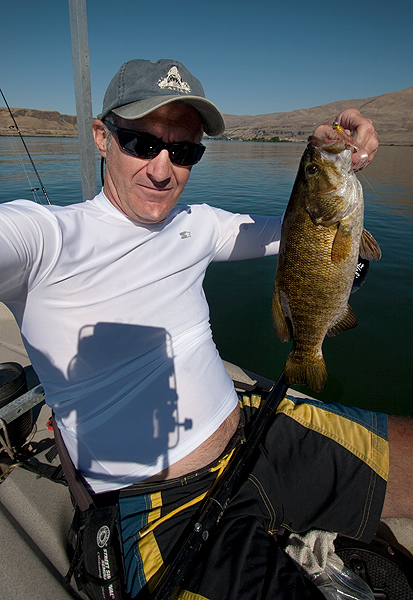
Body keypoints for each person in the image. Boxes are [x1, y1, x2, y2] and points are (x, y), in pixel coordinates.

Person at [0, 58, 411, 599]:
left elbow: (307, 226)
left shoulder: (197, 225)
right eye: (142, 143)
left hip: (254, 433)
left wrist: (329, 150)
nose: (163, 169)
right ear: (102, 137)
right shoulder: (44, 238)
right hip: (161, 514)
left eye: (185, 150)